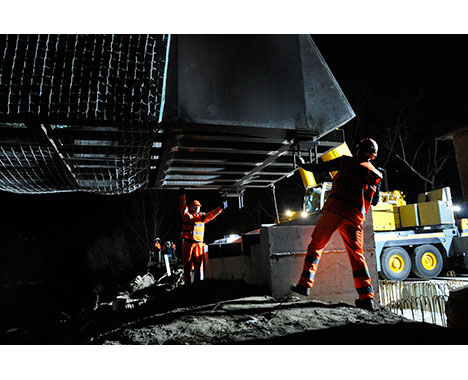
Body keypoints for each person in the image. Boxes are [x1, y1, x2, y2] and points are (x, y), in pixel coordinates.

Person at [291, 138, 383, 311]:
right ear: (373, 155)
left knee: (316, 246)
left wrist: (304, 165)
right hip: (354, 217)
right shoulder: (376, 175)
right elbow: (375, 201)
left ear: (358, 150)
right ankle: (366, 297)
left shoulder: (345, 161)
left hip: (334, 210)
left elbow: (319, 168)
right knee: (357, 256)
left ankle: (305, 284)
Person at [179, 190, 227, 285]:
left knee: (198, 264)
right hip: (188, 243)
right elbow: (182, 206)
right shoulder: (187, 215)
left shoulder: (202, 217)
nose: (197, 208)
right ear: (192, 207)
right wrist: (182, 195)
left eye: (199, 207)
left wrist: (220, 208)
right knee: (187, 264)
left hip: (198, 244)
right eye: (196, 206)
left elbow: (212, 214)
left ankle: (196, 283)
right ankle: (187, 284)